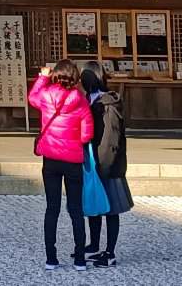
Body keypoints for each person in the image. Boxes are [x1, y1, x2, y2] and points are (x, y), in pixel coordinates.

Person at [27, 59, 95, 271]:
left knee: (52, 208)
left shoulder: (46, 95)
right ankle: (80, 259)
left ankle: (51, 258)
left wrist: (42, 77)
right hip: (73, 160)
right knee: (76, 209)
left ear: (56, 75)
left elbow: (32, 98)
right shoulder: (81, 101)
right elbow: (87, 135)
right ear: (74, 77)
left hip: (51, 159)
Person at [81, 64, 131, 268]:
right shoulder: (89, 101)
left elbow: (112, 139)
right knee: (95, 206)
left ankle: (110, 252)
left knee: (111, 209)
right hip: (93, 160)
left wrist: (104, 165)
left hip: (108, 163)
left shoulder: (108, 104)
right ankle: (94, 245)